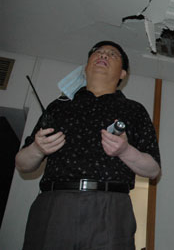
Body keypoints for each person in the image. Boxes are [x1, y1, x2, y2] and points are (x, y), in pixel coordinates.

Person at [16, 41, 161, 250]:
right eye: (98, 52)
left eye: (112, 54)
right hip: (54, 206)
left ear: (122, 73)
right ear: (86, 67)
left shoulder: (135, 110)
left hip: (111, 209)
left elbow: (153, 169)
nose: (103, 55)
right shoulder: (58, 106)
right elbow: (22, 163)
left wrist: (125, 150)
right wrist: (38, 149)